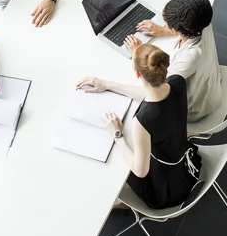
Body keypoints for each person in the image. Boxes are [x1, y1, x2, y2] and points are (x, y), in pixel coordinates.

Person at [77, 44, 201, 209]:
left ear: (137, 73)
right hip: (185, 165)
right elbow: (151, 94)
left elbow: (140, 171)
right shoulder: (177, 82)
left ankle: (120, 204)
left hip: (165, 189)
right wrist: (109, 85)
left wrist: (117, 135)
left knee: (115, 159)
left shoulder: (143, 119)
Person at [126, 0, 222, 122]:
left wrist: (138, 52)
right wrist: (163, 30)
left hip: (195, 109)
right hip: (212, 86)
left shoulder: (189, 58)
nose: (164, 25)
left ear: (176, 29)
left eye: (165, 24)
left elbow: (155, 92)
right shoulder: (201, 19)